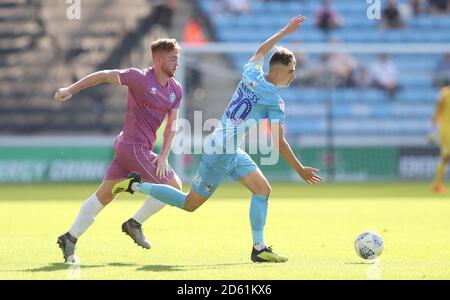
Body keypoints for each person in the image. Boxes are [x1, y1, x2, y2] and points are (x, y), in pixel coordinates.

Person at [113, 16, 323, 263]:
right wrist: (299, 170)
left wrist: (285, 31)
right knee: (190, 204)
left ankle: (259, 248)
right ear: (276, 70)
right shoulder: (274, 101)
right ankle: (134, 185)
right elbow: (279, 142)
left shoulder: (251, 71)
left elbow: (260, 51)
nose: (293, 75)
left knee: (263, 190)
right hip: (221, 154)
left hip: (229, 148)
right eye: (290, 71)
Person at [54, 39, 183, 262]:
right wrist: (71, 89)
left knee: (103, 197)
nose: (177, 64)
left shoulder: (175, 90)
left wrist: (163, 155)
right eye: (172, 59)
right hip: (131, 147)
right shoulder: (139, 77)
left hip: (135, 149)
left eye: (178, 60)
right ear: (158, 59)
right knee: (172, 188)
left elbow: (172, 126)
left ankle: (69, 238)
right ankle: (134, 219)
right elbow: (104, 75)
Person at [431, 85, 450, 193]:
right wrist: (433, 131)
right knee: (446, 157)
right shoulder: (445, 93)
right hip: (447, 130)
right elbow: (437, 111)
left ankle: (437, 184)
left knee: (446, 157)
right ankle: (437, 185)